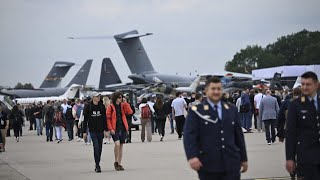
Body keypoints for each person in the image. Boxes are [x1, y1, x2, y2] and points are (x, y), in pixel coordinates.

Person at [184, 77, 248, 180]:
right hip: (208, 164)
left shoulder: (232, 109)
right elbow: (189, 136)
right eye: (213, 89)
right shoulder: (196, 111)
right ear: (206, 90)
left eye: (218, 89)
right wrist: (192, 156)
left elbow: (239, 136)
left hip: (231, 163)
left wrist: (244, 158)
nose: (216, 91)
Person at [286, 71, 320, 180]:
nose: (305, 87)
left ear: (316, 85)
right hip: (306, 157)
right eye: (303, 84)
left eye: (308, 84)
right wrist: (290, 158)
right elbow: (291, 133)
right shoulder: (295, 105)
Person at [107, 92, 133, 171]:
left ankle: (119, 163)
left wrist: (126, 103)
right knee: (117, 144)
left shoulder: (123, 105)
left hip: (123, 128)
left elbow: (130, 112)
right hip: (115, 129)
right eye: (119, 97)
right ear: (115, 98)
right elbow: (108, 118)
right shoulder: (110, 107)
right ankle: (116, 161)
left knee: (121, 146)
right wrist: (110, 128)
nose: (120, 99)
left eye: (121, 97)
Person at [83, 92, 106, 173]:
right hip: (92, 130)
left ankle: (98, 162)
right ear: (93, 97)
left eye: (99, 96)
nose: (98, 97)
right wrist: (84, 132)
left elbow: (104, 118)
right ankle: (97, 165)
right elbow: (85, 120)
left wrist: (106, 130)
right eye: (97, 96)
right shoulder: (88, 106)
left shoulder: (101, 106)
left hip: (100, 130)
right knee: (95, 147)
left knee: (99, 148)